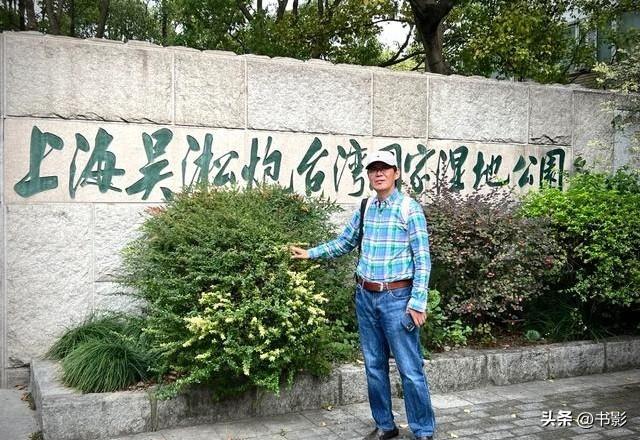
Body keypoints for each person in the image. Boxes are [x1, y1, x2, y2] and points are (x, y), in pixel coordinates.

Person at [290, 150, 436, 440]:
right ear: (368, 175)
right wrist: (310, 253)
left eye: (384, 168)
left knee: (410, 369)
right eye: (373, 169)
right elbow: (345, 242)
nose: (378, 173)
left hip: (397, 298)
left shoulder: (409, 209)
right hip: (366, 297)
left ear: (396, 173)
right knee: (373, 366)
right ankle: (385, 425)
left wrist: (418, 301)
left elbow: (423, 258)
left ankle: (423, 430)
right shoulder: (366, 206)